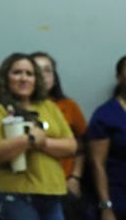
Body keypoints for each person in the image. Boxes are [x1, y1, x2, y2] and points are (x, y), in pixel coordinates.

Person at [0, 53, 77, 220]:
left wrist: (41, 141)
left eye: (29, 74)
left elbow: (71, 146)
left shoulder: (49, 107)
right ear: (5, 77)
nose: (24, 78)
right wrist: (29, 139)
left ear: (35, 79)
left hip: (52, 194)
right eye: (17, 72)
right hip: (14, 195)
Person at [30, 52, 88, 220]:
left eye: (47, 71)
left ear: (54, 76)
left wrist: (75, 178)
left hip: (63, 185)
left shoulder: (68, 106)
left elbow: (82, 145)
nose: (42, 76)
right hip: (27, 187)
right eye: (36, 70)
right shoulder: (14, 106)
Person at [87, 54, 126, 220]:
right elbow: (98, 164)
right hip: (119, 199)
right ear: (119, 77)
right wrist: (106, 206)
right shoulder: (106, 115)